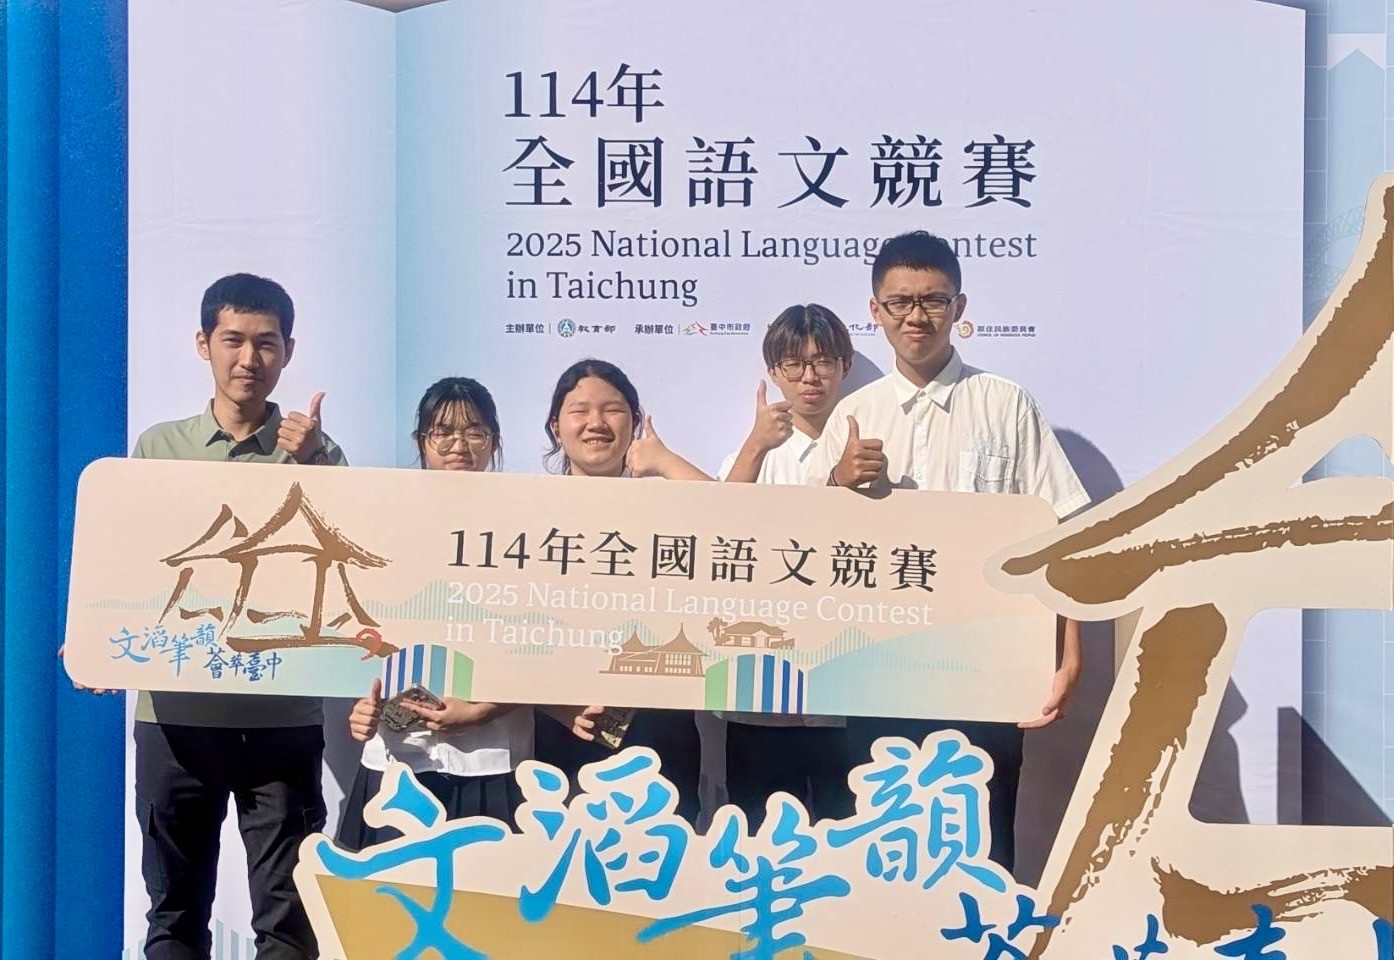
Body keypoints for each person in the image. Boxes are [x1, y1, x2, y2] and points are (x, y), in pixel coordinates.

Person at [805, 232, 1090, 873]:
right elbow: (806, 554)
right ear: (874, 311)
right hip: (875, 669)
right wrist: (837, 484)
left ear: (959, 307)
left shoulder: (1007, 405)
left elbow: (1063, 534)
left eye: (933, 300)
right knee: (878, 852)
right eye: (899, 302)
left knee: (982, 846)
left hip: (986, 668)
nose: (917, 316)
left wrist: (1071, 654)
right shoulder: (854, 415)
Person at [124, 274, 343, 959]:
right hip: (175, 716)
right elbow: (127, 562)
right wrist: (99, 641)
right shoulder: (159, 447)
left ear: (288, 352)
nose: (250, 359)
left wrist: (309, 465)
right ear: (204, 344)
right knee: (174, 915)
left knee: (288, 919)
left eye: (267, 343)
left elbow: (347, 571)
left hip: (282, 717)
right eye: (233, 340)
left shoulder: (321, 452)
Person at [339, 377, 533, 849]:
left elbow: (544, 644)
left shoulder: (528, 528)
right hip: (397, 761)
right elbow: (355, 633)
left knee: (485, 895)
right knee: (391, 894)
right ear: (421, 442)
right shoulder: (382, 526)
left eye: (474, 431)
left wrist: (484, 710)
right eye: (442, 432)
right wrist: (360, 707)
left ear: (494, 442)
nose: (458, 445)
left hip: (489, 759)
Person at [533, 358, 709, 826]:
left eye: (612, 410)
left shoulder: (664, 503)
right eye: (580, 411)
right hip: (563, 726)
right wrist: (554, 705)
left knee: (665, 855)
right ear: (555, 426)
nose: (596, 423)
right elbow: (504, 626)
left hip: (659, 726)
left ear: (634, 422)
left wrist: (666, 463)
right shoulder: (529, 511)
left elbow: (733, 523)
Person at [716, 304, 857, 828]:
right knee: (761, 838)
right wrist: (756, 445)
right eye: (794, 364)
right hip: (762, 695)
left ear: (845, 365)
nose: (809, 377)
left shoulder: (867, 443)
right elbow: (716, 540)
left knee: (849, 837)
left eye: (823, 362)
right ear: (774, 372)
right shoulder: (754, 454)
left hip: (849, 691)